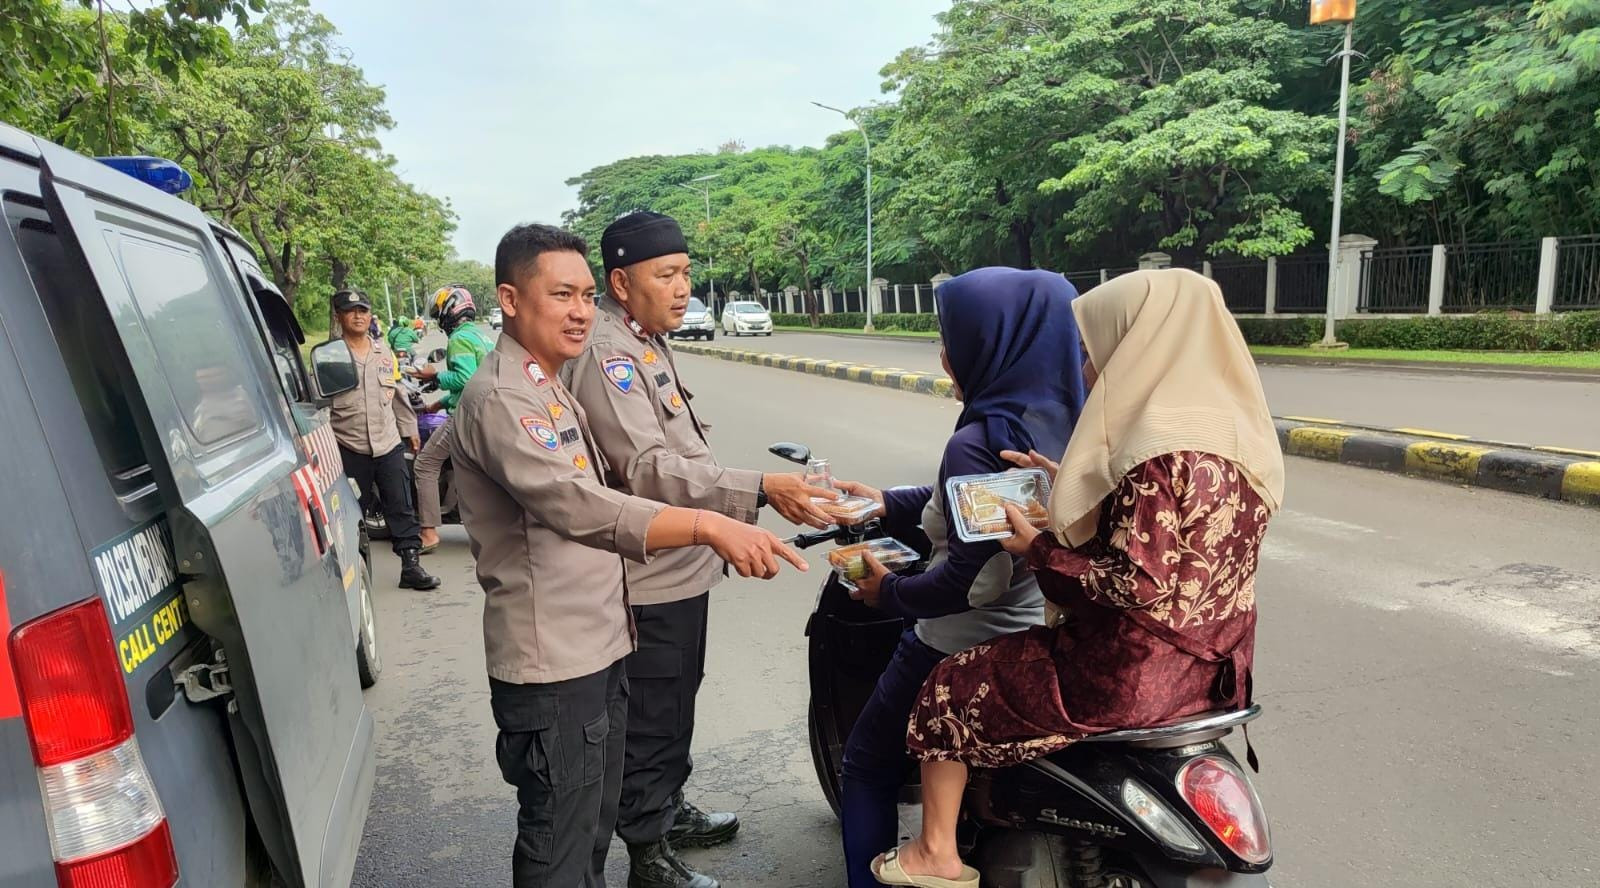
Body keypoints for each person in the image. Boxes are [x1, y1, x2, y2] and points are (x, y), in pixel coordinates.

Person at [869, 269, 1286, 888]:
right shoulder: (1238, 435)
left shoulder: (1154, 449)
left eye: (1093, 351)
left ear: (1138, 347)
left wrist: (1037, 549)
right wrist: (1062, 480)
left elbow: (1137, 585)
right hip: (1217, 668)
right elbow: (1178, 551)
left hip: (1129, 673)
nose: (1085, 369)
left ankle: (936, 853)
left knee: (948, 688)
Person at [453, 223, 807, 888]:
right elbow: (579, 504)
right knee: (561, 844)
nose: (581, 311)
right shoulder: (505, 397)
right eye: (561, 294)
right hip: (555, 658)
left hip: (598, 642)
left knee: (588, 831)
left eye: (586, 296)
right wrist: (709, 523)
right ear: (510, 299)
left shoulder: (545, 381)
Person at [563, 211, 838, 888]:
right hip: (651, 575)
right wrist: (760, 487)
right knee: (654, 711)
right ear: (621, 283)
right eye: (667, 275)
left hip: (683, 568)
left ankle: (666, 807)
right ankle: (648, 852)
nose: (684, 287)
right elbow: (648, 469)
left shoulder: (646, 340)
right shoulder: (608, 355)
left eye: (686, 272)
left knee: (677, 698)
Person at [820, 268, 1086, 888]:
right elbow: (983, 506)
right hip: (1048, 634)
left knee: (866, 763)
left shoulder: (983, 437)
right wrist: (889, 501)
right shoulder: (1076, 422)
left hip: (958, 641)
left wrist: (888, 592)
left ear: (989, 344)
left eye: (953, 336)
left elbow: (973, 582)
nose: (944, 353)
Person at [326, 289, 440, 591]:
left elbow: (398, 393)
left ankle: (411, 566)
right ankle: (348, 575)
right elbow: (320, 404)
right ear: (338, 316)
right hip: (348, 445)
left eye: (363, 310)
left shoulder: (384, 353)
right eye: (351, 310)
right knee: (350, 512)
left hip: (387, 442)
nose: (358, 316)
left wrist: (410, 429)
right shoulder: (329, 356)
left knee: (401, 505)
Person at [410, 285, 494, 552]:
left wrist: (434, 376)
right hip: (488, 413)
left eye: (439, 314)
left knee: (424, 464)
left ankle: (428, 532)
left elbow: (466, 379)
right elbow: (476, 380)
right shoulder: (481, 337)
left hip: (465, 417)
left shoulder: (458, 339)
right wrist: (437, 403)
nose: (438, 319)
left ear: (449, 310)